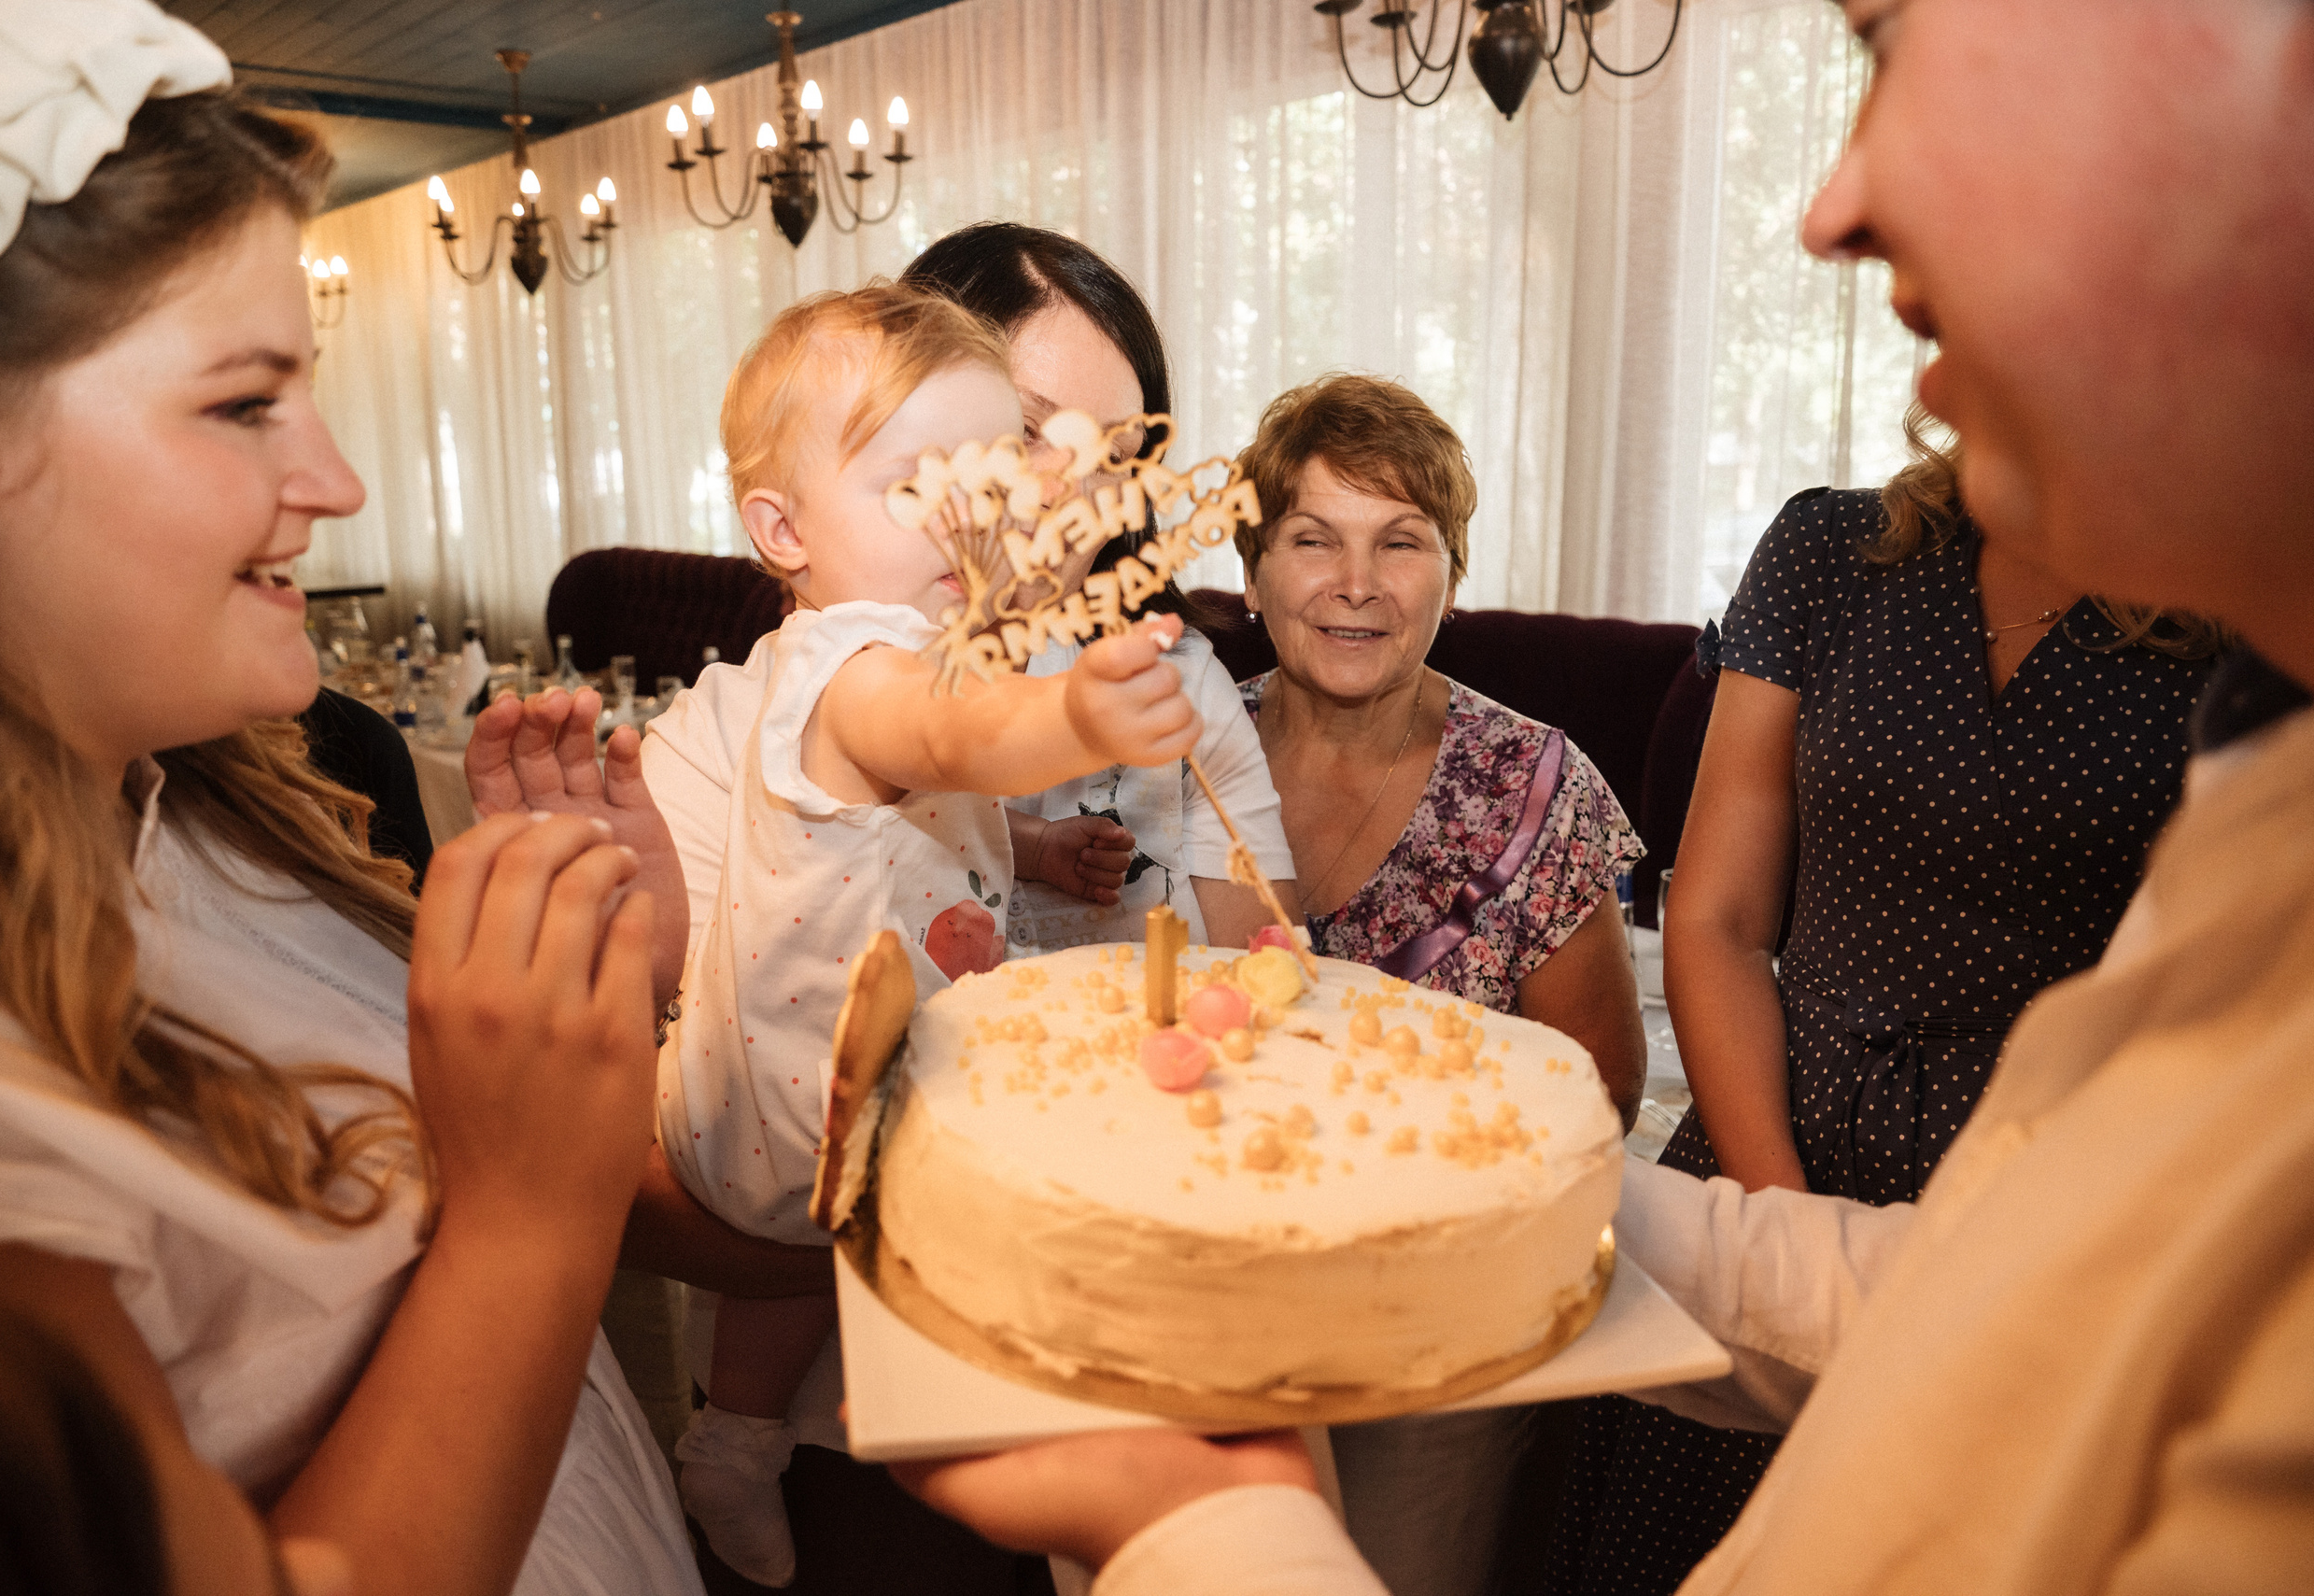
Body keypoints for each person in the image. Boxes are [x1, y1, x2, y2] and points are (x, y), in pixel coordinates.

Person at [886, 0, 2314, 1588]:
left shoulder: (1525, 775)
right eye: (1309, 537)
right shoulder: (2267, 806)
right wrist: (1427, 1192)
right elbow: (1995, 1297)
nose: (1833, 204)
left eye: (1893, 33)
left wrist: (1194, 1526)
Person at [0, 5, 707, 1594]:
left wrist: (609, 988)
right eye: (241, 402)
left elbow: (439, 1150)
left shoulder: (209, 807)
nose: (341, 481)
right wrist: (529, 1230)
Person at [1547, 424, 2218, 1592]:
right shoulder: (1830, 548)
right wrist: (1778, 1218)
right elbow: (1713, 919)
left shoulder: (2248, 621)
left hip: (2027, 1199)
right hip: (1763, 1137)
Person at [636, 281, 1203, 1587]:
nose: (966, 514)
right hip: (801, 1102)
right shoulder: (861, 658)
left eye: (988, 475)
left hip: (813, 1072)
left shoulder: (874, 657)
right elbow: (952, 739)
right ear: (781, 528)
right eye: (909, 487)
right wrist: (1080, 722)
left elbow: (930, 808)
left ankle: (736, 1440)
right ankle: (864, 1456)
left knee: (799, 1282)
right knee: (888, 1258)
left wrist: (1049, 846)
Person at [1234, 373, 1648, 1596]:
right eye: (1314, 539)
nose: (1354, 582)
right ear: (1254, 570)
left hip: (1438, 1339)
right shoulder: (1165, 760)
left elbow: (1599, 1089)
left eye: (1399, 542)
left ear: (1452, 577)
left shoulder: (1537, 784)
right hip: (1198, 1317)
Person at [902, 222, 1302, 952]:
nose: (1068, 495)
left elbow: (1273, 986)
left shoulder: (1177, 686)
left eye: (1112, 456)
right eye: (1027, 429)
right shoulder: (802, 688)